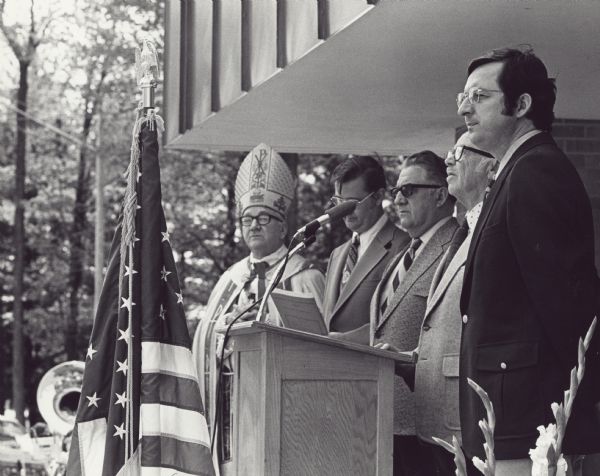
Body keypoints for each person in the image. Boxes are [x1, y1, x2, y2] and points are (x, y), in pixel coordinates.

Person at [457, 46, 600, 474]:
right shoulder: (516, 168)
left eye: (480, 96)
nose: (465, 107)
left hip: (531, 421)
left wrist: (585, 398)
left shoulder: (537, 170)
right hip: (510, 415)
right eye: (463, 96)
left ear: (521, 105)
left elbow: (569, 306)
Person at [191, 143, 325, 465]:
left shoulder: (303, 277)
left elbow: (320, 353)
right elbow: (204, 343)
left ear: (283, 226)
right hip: (228, 407)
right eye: (247, 219)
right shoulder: (230, 279)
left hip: (280, 406)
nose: (253, 225)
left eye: (264, 217)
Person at [407, 133, 497, 476]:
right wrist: (411, 359)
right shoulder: (464, 229)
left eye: (459, 152)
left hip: (466, 415)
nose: (447, 160)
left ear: (491, 168)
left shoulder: (494, 227)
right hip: (438, 416)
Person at [371, 150, 458, 476]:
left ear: (439, 194)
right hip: (386, 420)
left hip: (424, 426)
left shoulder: (454, 249)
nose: (398, 200)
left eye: (408, 190)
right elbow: (384, 326)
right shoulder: (403, 253)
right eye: (395, 192)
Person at [323, 156, 409, 344]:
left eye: (352, 203)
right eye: (338, 201)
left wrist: (343, 340)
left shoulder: (402, 246)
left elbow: (397, 322)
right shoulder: (337, 254)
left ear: (378, 197)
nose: (343, 211)